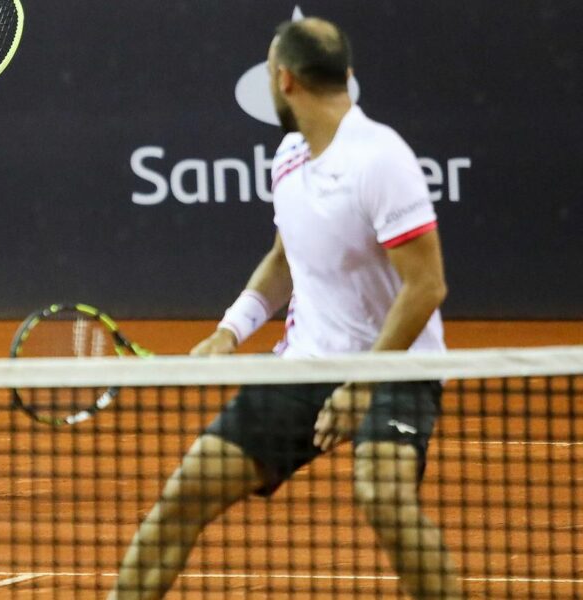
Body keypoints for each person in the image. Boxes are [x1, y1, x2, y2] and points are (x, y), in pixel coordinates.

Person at [111, 17, 464, 599]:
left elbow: (426, 287)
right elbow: (283, 260)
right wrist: (230, 331)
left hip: (394, 369)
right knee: (183, 495)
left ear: (284, 81)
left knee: (383, 495)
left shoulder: (381, 159)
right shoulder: (289, 158)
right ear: (342, 77)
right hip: (304, 365)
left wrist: (361, 382)